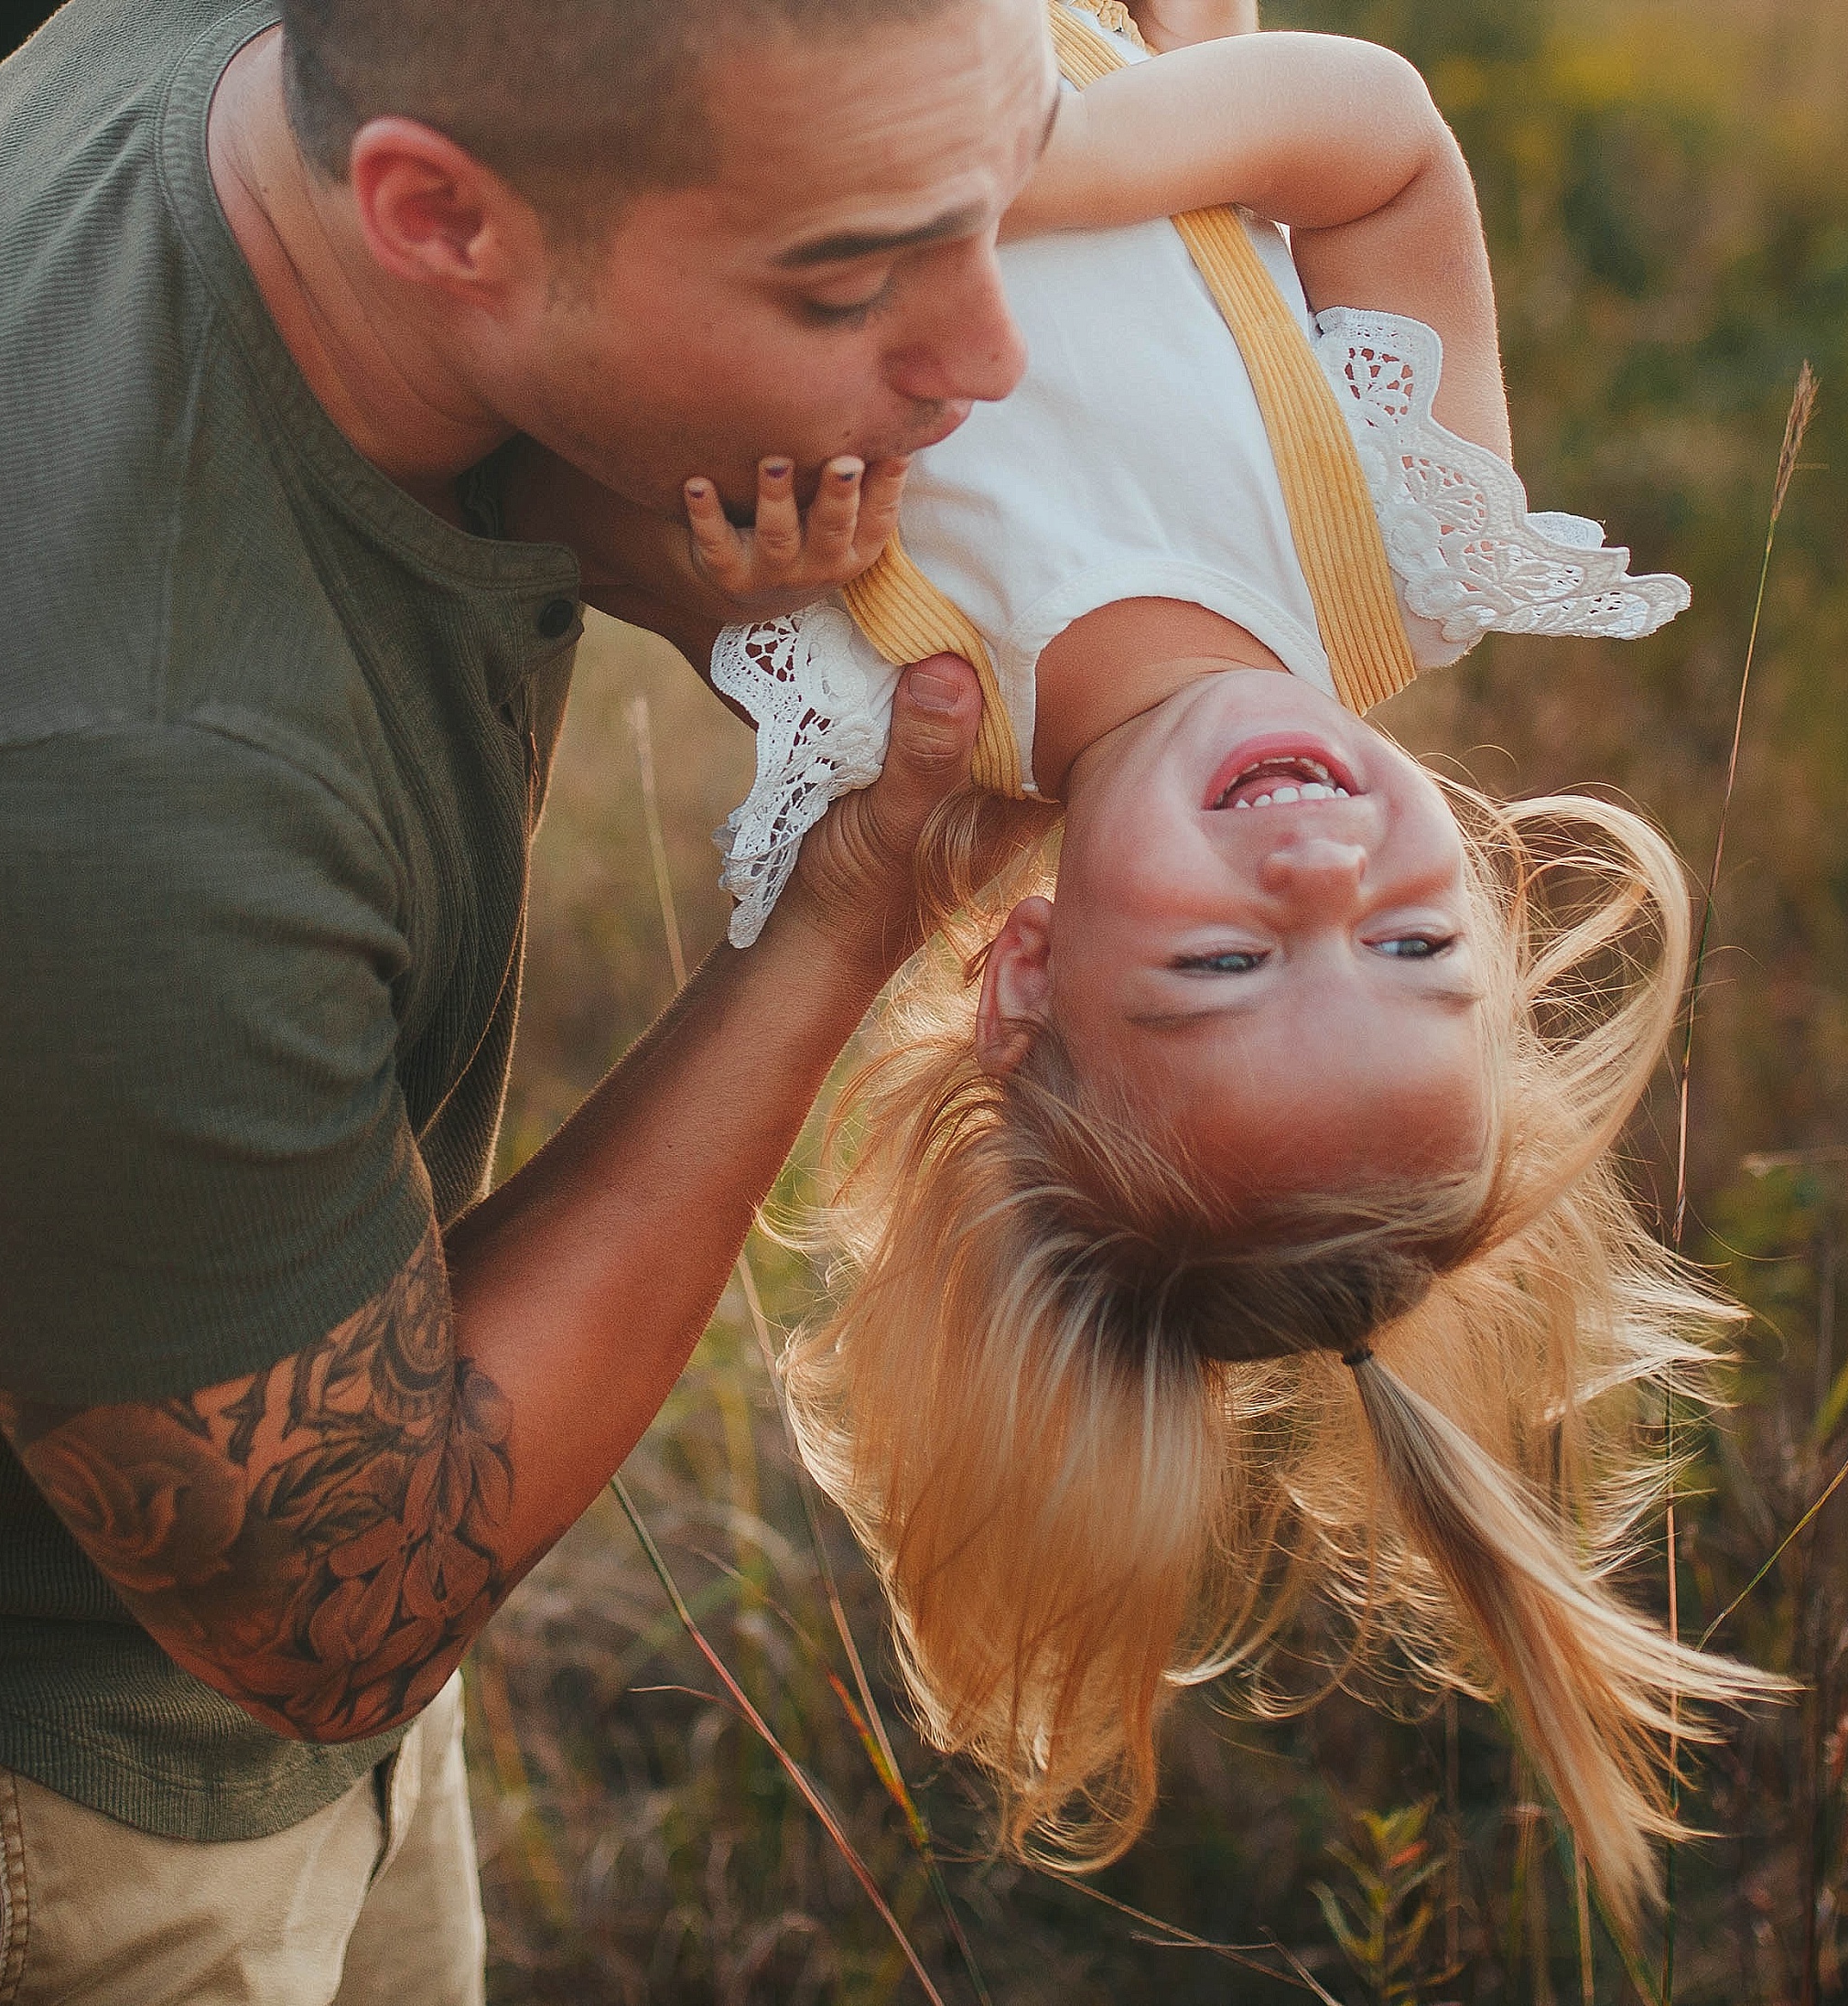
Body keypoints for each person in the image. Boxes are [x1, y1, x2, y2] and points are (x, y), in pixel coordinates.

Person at [0, 0, 1237, 1994]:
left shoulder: (372, 84)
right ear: (439, 220)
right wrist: (837, 918)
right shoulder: (108, 777)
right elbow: (341, 1601)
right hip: (72, 1821)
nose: (990, 356)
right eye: (852, 278)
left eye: (1001, 197)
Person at [539, 5, 1775, 1910]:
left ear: (1025, 979)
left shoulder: (887, 672)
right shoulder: (1405, 545)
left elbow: (553, 439)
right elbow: (1374, 139)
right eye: (1411, 939)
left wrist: (700, 529)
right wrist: (998, 174)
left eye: (1224, 968)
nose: (1314, 867)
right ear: (1500, 911)